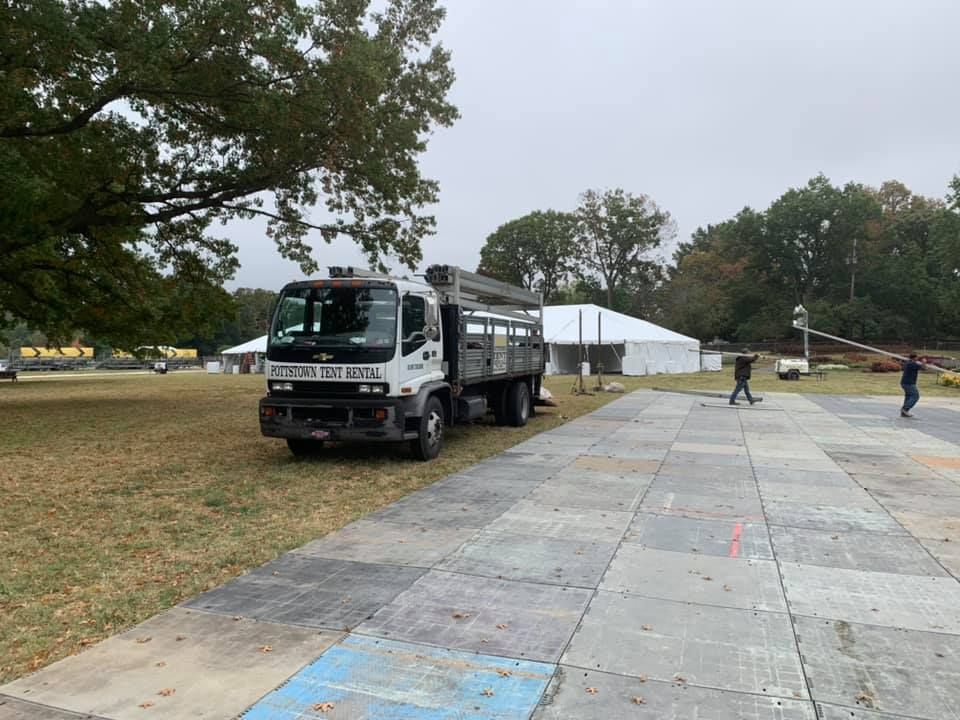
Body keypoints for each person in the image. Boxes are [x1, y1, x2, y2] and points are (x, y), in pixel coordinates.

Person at [900, 353, 924, 417]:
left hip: (905, 383)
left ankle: (904, 412)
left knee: (908, 397)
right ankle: (905, 409)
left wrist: (921, 363)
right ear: (914, 358)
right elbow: (923, 368)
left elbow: (920, 366)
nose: (918, 359)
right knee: (915, 396)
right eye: (917, 357)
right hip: (909, 383)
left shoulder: (909, 363)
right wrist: (924, 362)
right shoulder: (912, 364)